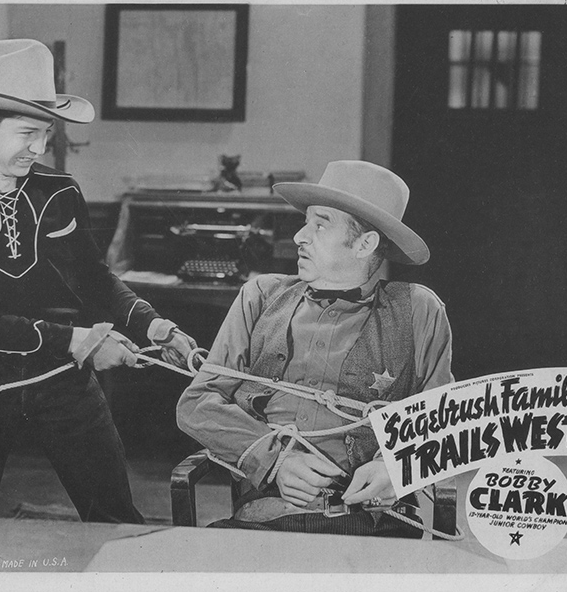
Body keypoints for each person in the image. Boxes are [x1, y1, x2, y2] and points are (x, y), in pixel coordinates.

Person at [0, 39, 196, 524]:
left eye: (45, 133)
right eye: (27, 133)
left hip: (65, 377)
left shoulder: (59, 191)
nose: (39, 149)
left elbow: (95, 279)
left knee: (114, 517)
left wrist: (154, 325)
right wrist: (79, 340)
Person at [176, 160, 453, 536]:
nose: (299, 237)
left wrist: (398, 466)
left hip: (372, 527)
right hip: (263, 519)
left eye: (320, 225)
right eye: (305, 222)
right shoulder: (260, 296)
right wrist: (273, 460)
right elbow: (196, 404)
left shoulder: (419, 310)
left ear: (365, 244)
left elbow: (445, 419)